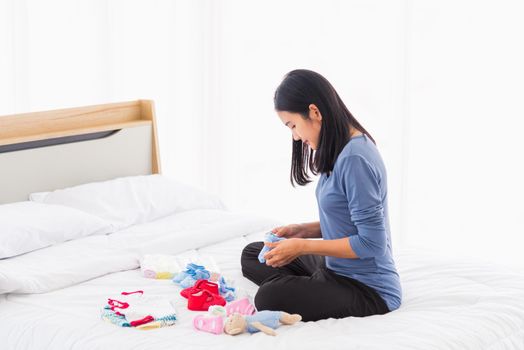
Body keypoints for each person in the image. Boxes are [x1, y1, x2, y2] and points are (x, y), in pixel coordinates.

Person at [240, 69, 402, 322]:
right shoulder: (340, 149)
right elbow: (348, 220)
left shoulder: (355, 159)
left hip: (368, 288)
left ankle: (311, 289)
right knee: (253, 254)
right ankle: (312, 287)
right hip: (335, 266)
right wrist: (303, 231)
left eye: (293, 125)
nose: (295, 136)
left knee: (267, 297)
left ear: (314, 112)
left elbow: (372, 243)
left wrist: (302, 247)